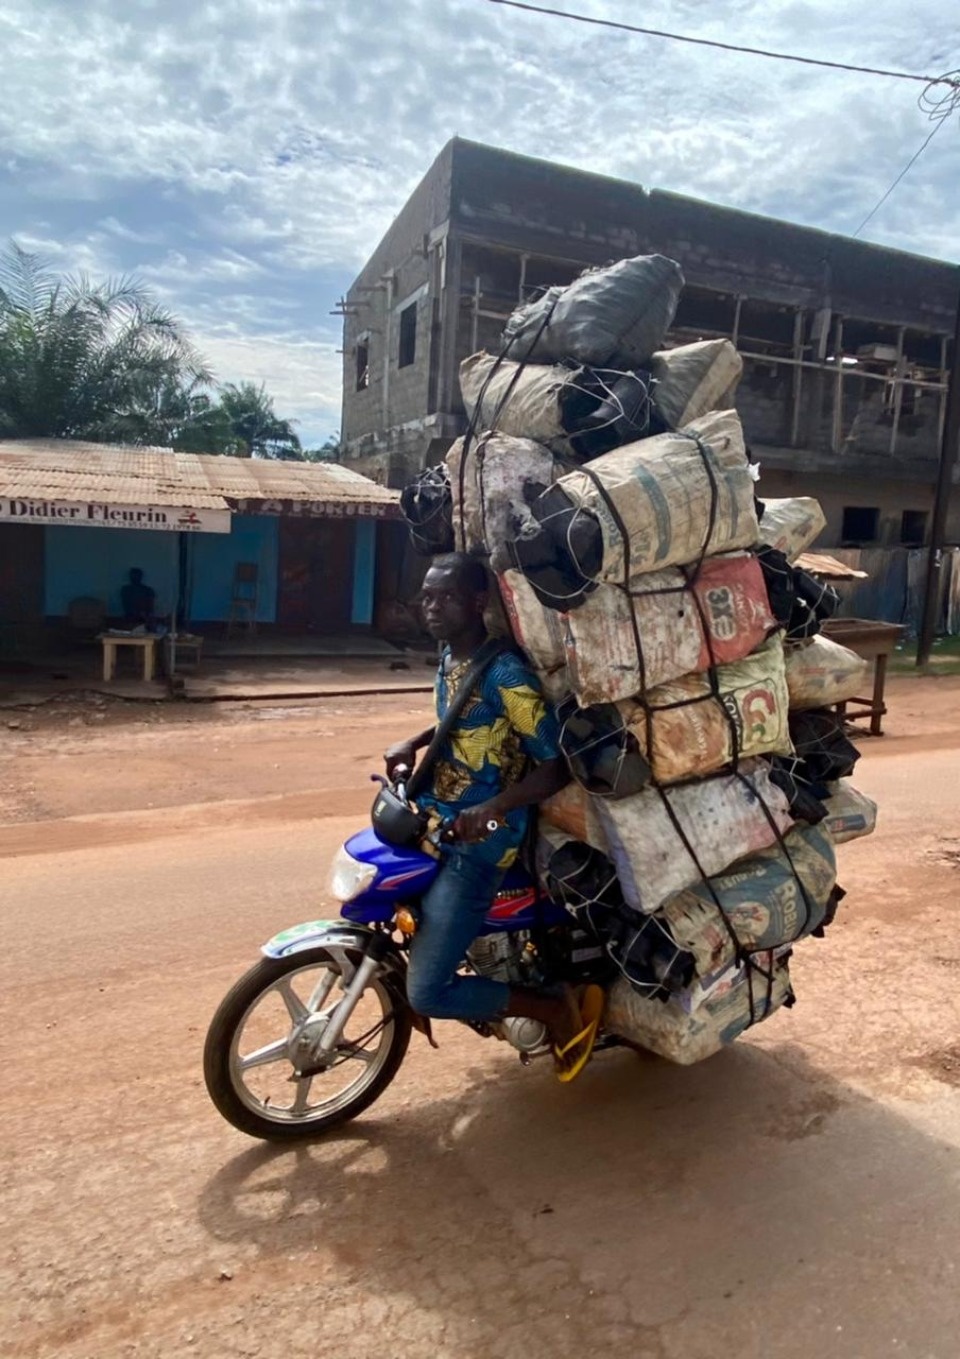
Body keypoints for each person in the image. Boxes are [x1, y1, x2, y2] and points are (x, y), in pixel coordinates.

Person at [384, 552, 602, 1077]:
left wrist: (492, 808)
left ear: (479, 603)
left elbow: (557, 764)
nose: (431, 607)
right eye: (427, 595)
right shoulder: (450, 656)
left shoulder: (505, 674)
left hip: (480, 845)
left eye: (446, 597)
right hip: (434, 820)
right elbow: (457, 724)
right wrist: (412, 741)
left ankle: (553, 1008)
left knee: (430, 989)